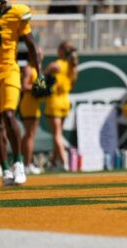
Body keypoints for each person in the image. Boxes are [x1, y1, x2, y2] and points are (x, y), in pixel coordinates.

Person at [0, 0, 42, 186]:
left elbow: (32, 46)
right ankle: (5, 169)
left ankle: (18, 162)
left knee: (9, 116)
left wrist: (39, 72)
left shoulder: (16, 14)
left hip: (9, 70)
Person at [43, 41, 78, 170]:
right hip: (65, 102)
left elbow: (41, 79)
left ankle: (65, 162)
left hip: (54, 101)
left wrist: (40, 86)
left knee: (57, 134)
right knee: (58, 134)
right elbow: (72, 85)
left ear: (62, 50)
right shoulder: (72, 67)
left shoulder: (55, 65)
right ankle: (54, 162)